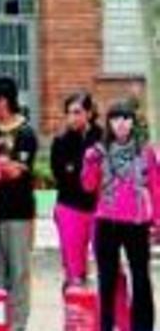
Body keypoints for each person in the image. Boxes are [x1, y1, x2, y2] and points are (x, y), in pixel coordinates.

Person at [82, 100, 158, 331]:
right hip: (107, 221)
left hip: (137, 222)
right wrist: (91, 163)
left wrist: (157, 222)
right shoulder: (98, 152)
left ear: (133, 123)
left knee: (141, 276)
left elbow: (155, 187)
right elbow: (88, 186)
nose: (121, 124)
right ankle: (105, 324)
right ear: (109, 123)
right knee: (107, 279)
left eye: (126, 118)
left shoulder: (145, 152)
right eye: (116, 119)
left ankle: (142, 326)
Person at [0, 76, 38, 331]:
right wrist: (2, 162)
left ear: (2, 101)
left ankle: (17, 325)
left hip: (18, 214)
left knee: (18, 273)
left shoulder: (25, 132)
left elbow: (16, 172)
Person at [51, 91, 102, 288]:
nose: (72, 118)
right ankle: (76, 313)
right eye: (69, 113)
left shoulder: (103, 139)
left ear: (89, 113)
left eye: (77, 112)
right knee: (73, 269)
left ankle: (110, 315)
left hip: (100, 209)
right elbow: (62, 177)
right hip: (70, 207)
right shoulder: (61, 142)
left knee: (107, 263)